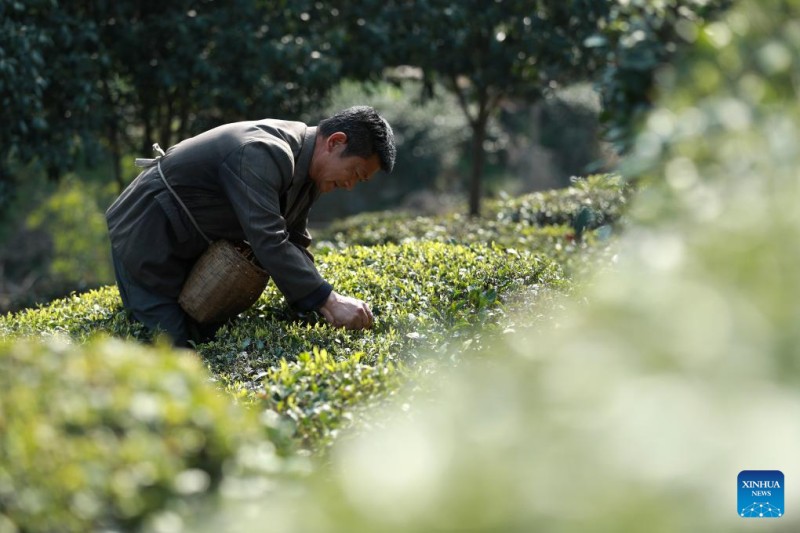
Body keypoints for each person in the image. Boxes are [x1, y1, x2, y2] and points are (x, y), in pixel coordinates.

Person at [106, 106, 396, 346]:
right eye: (355, 173)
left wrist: (321, 305)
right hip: (148, 237)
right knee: (177, 346)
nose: (349, 185)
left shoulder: (309, 172)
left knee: (209, 339)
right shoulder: (262, 151)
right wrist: (329, 300)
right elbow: (268, 239)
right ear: (335, 142)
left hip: (190, 243)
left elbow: (294, 241)